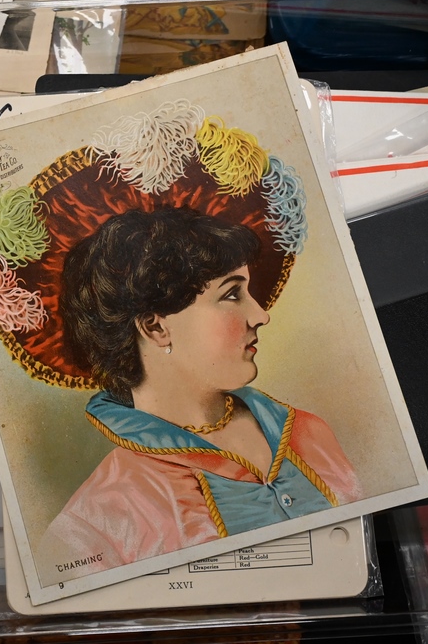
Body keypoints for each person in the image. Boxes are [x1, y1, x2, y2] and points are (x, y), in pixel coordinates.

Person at [34, 206, 362, 572]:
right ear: (156, 328)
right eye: (232, 294)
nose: (261, 315)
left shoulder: (307, 432)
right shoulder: (101, 514)